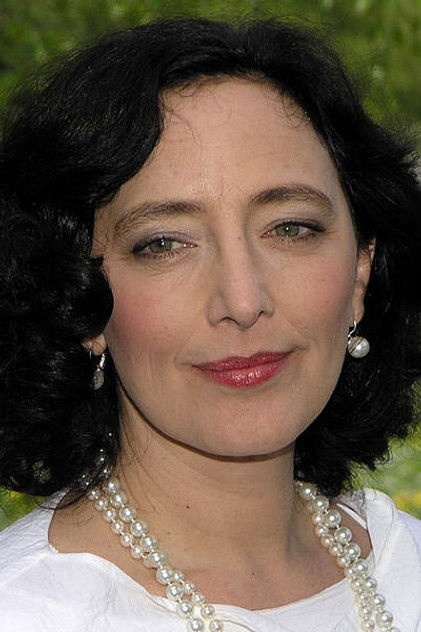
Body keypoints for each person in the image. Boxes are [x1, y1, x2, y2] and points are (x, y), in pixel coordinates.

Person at [0, 16, 420, 632]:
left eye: (291, 228)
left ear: (360, 272)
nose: (243, 300)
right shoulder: (28, 611)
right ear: (77, 299)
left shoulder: (406, 564)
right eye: (164, 243)